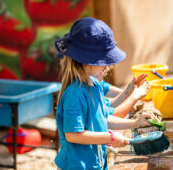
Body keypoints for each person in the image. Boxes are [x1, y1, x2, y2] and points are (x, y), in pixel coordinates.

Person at [54, 17, 152, 170]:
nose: (108, 67)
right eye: (104, 62)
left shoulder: (95, 85)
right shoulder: (75, 94)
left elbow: (104, 119)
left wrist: (135, 123)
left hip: (95, 163)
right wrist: (110, 137)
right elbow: (73, 135)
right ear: (87, 62)